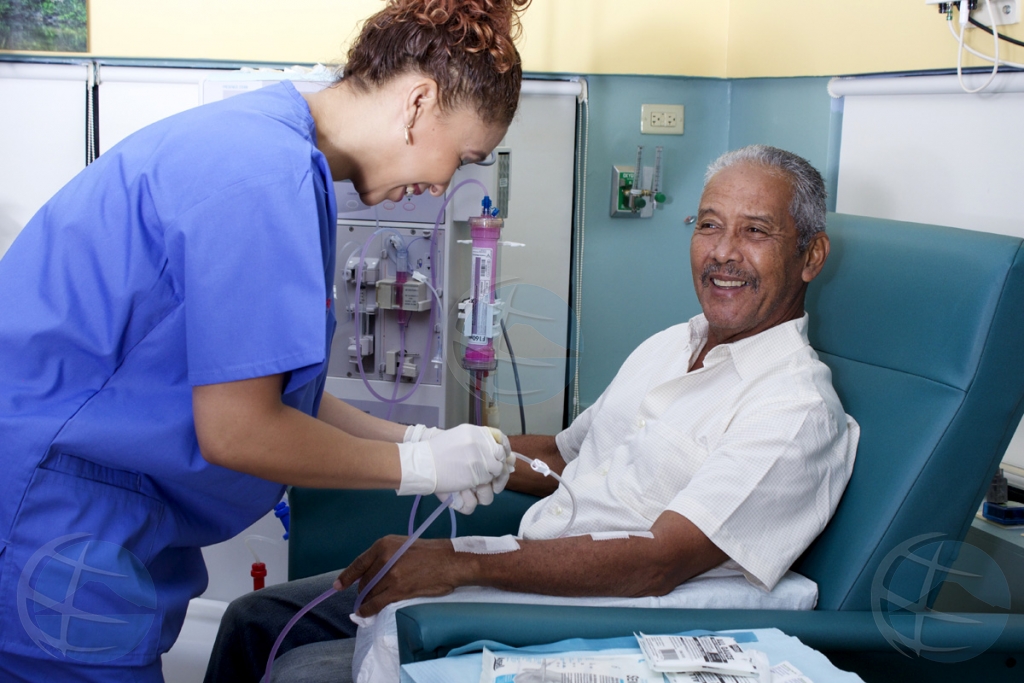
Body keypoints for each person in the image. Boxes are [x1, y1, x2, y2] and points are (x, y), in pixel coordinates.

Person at [0, 1, 532, 681]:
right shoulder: (264, 175)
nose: (443, 184)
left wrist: (418, 439)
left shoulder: (272, 151)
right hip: (47, 521)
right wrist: (422, 469)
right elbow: (241, 430)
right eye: (462, 157)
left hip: (83, 518)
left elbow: (272, 391)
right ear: (419, 102)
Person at [206, 144, 860, 682]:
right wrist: (431, 450)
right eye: (710, 224)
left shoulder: (794, 409)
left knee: (301, 670)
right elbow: (564, 456)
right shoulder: (671, 344)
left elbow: (658, 562)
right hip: (526, 568)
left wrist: (459, 562)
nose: (723, 252)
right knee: (254, 619)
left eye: (755, 231)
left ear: (811, 255)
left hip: (582, 615)